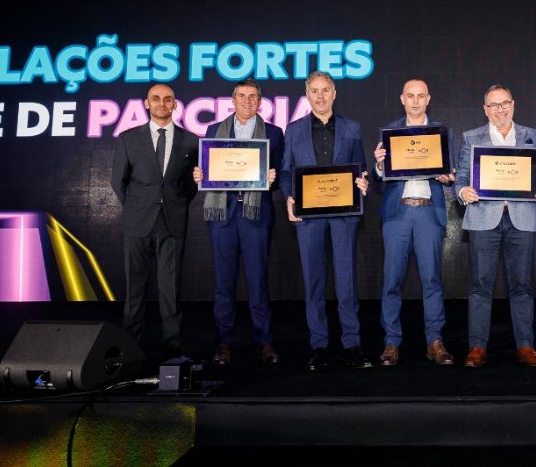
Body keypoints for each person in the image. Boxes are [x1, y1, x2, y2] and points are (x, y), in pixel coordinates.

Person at [454, 84, 536, 368]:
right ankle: (477, 347)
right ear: (485, 109)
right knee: (480, 285)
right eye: (493, 105)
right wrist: (463, 191)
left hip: (521, 218)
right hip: (483, 217)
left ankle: (525, 346)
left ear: (513, 105)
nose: (499, 109)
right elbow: (461, 177)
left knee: (522, 284)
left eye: (504, 104)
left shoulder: (531, 135)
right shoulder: (471, 137)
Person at [279, 70, 371, 371]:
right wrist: (289, 196)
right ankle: (319, 346)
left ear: (334, 93)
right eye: (314, 91)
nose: (320, 96)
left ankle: (352, 345)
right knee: (314, 282)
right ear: (307, 95)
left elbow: (361, 168)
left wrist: (363, 182)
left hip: (344, 216)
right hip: (309, 217)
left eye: (325, 90)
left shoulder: (352, 127)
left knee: (346, 283)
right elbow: (285, 172)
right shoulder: (293, 130)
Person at [191, 79, 284, 366]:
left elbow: (281, 173)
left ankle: (264, 342)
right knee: (224, 283)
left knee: (258, 282)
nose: (247, 100)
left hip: (255, 215)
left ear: (260, 102)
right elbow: (207, 169)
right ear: (232, 100)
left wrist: (273, 177)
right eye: (241, 95)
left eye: (252, 96)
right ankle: (224, 343)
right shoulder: (213, 131)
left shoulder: (274, 133)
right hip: (223, 215)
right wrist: (200, 175)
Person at [372, 79, 456, 366]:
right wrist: (380, 164)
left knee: (432, 280)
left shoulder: (442, 133)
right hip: (398, 213)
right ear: (402, 99)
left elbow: (452, 173)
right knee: (392, 280)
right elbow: (379, 176)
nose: (416, 101)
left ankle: (435, 341)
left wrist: (449, 176)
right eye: (411, 96)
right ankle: (391, 342)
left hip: (428, 213)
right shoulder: (390, 133)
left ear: (428, 99)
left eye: (421, 96)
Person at [111, 83, 198, 359]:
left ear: (175, 104)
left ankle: (173, 348)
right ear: (147, 103)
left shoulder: (191, 140)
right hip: (137, 223)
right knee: (135, 290)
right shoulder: (128, 138)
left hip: (173, 221)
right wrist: (138, 207)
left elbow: (191, 185)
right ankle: (130, 348)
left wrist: (176, 203)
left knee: (170, 289)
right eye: (156, 98)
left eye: (168, 99)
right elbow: (118, 182)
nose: (162, 103)